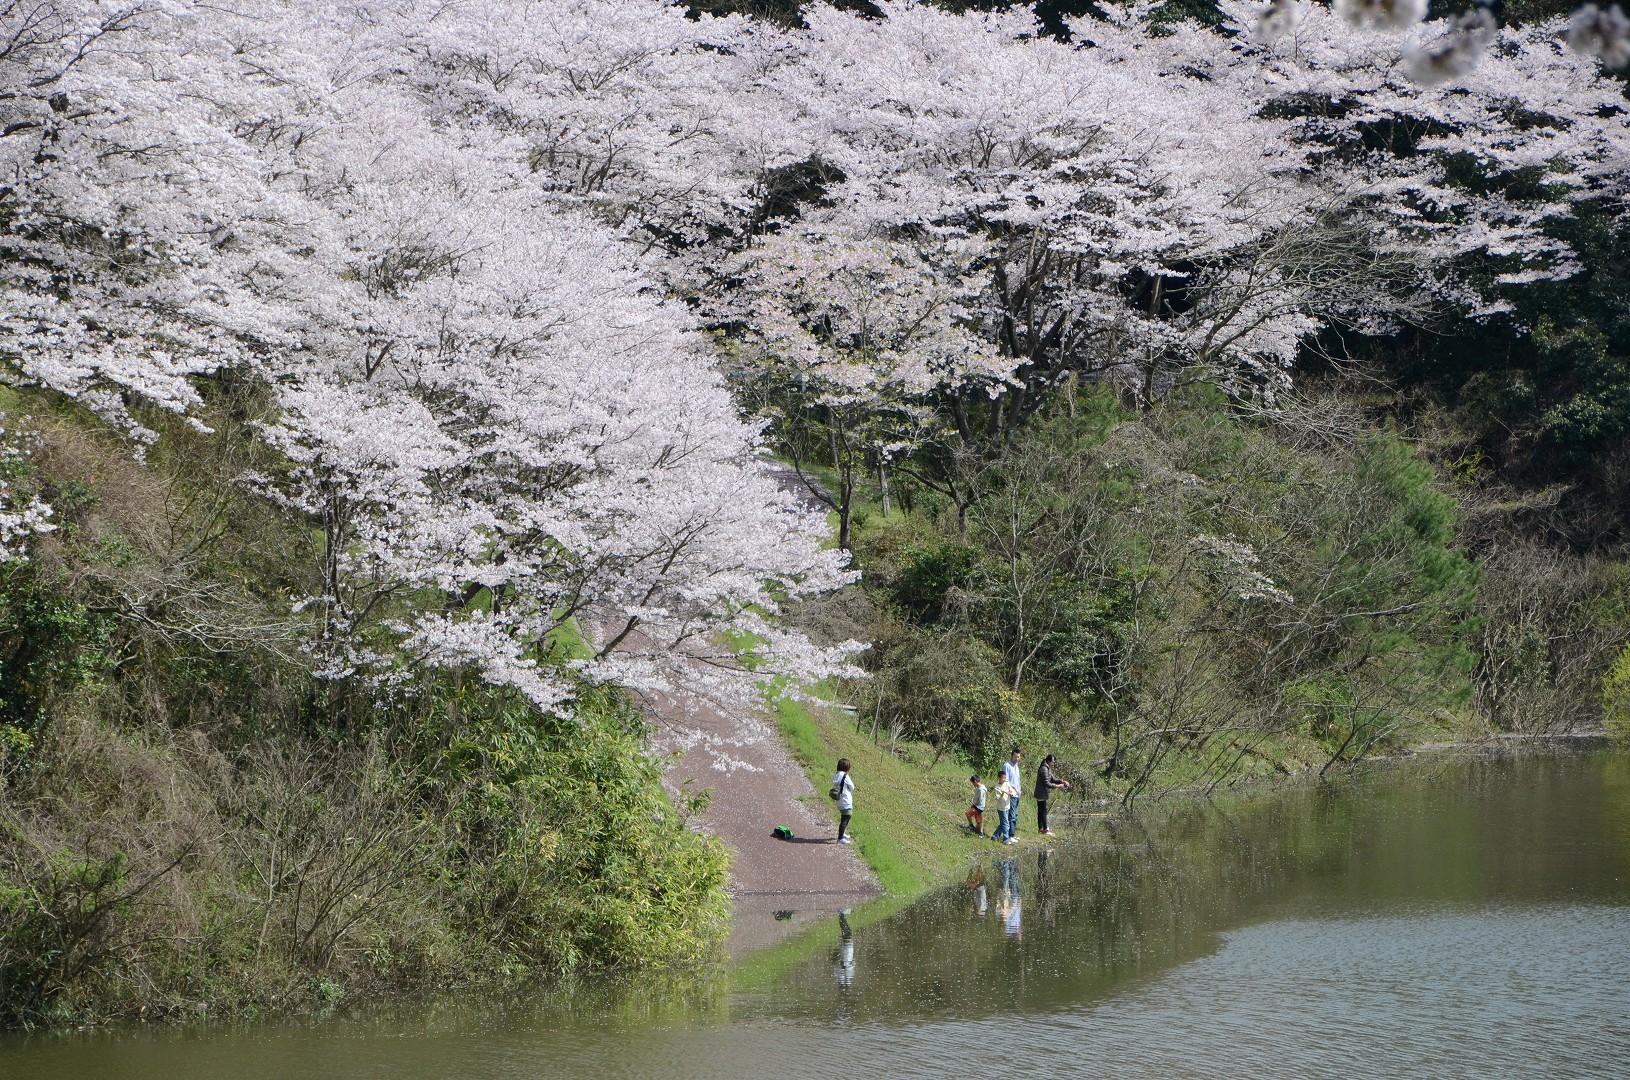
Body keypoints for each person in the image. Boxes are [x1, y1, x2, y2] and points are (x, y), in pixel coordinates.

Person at [1035, 753, 1070, 836]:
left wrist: (1062, 781)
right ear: (1048, 761)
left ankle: (1041, 829)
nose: (1053, 764)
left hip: (1043, 793)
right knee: (1043, 811)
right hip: (1041, 793)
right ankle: (1045, 829)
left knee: (1041, 811)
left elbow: (1053, 779)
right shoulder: (1044, 769)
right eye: (1053, 762)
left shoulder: (1047, 768)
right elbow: (1047, 783)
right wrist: (1058, 786)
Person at [998, 747, 1023, 843]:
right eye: (1016, 757)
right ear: (1012, 755)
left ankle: (1011, 834)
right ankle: (1010, 835)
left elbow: (1017, 780)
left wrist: (1019, 790)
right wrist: (1014, 789)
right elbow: (1006, 780)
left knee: (1015, 815)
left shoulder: (1016, 766)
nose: (1017, 759)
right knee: (1011, 816)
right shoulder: (1006, 766)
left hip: (1017, 794)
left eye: (1019, 757)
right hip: (1011, 794)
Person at [831, 758, 855, 844]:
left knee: (843, 818)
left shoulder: (836, 775)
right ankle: (840, 838)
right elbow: (852, 787)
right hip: (846, 800)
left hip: (839, 800)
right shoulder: (845, 776)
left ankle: (842, 833)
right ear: (847, 768)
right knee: (846, 818)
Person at [992, 772, 1016, 842]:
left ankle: (994, 836)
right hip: (1001, 808)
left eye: (1005, 777)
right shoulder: (997, 787)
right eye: (1003, 778)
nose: (1005, 779)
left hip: (1007, 806)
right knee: (1005, 823)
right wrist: (1002, 793)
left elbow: (1013, 792)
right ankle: (1006, 838)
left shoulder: (1007, 783)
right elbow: (998, 798)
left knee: (1003, 823)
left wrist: (1011, 793)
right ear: (999, 778)